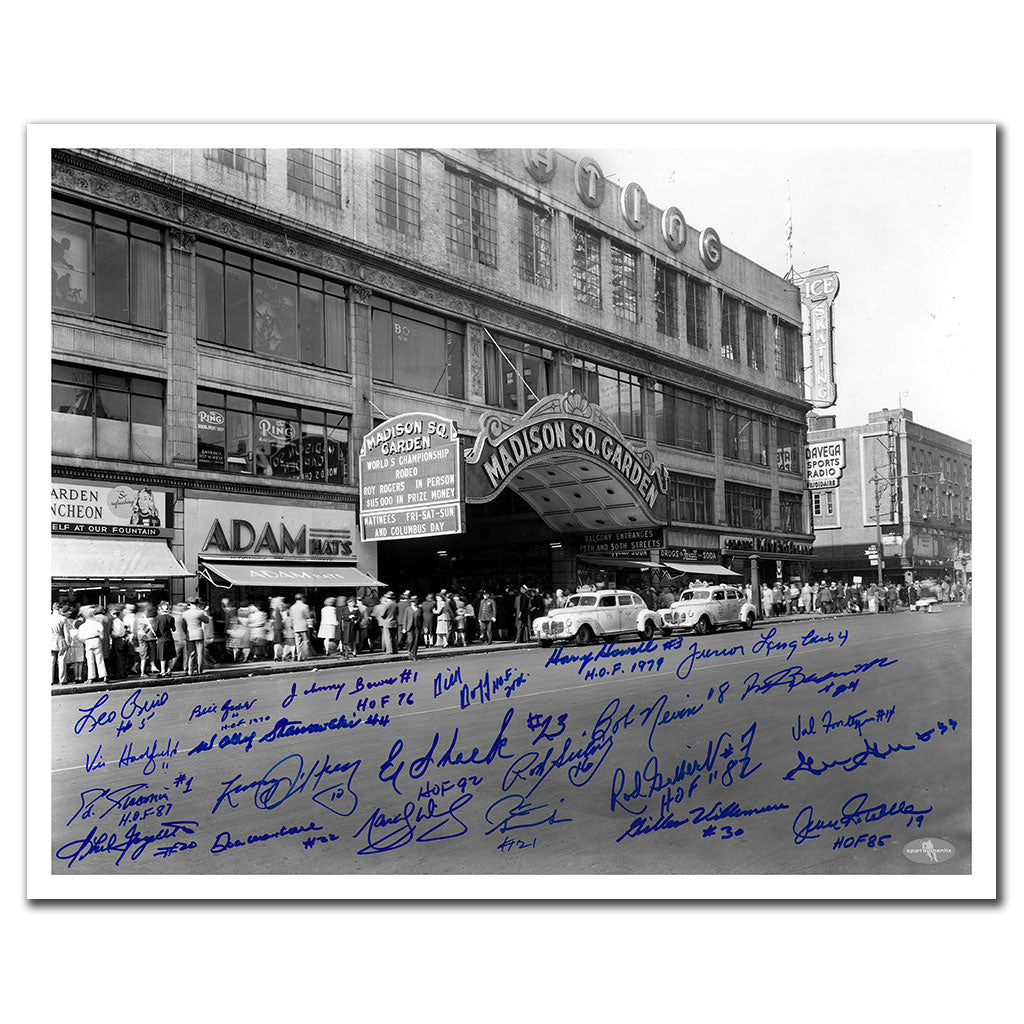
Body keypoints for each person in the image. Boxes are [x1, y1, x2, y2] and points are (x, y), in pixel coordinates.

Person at [76, 606, 107, 684]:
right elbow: (102, 632)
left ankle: (90, 678)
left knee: (90, 661)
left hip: (88, 641)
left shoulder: (82, 626)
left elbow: (80, 637)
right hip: (96, 640)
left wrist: (85, 641)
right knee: (100, 659)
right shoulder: (97, 623)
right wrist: (101, 638)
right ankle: (104, 676)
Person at [183, 596, 211, 674]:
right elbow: (207, 620)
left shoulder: (185, 614)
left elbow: (183, 625)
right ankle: (199, 670)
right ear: (198, 603)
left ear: (190, 604)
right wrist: (206, 612)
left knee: (191, 653)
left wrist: (186, 632)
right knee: (200, 653)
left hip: (189, 634)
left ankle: (190, 670)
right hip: (198, 634)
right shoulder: (200, 613)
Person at [153, 600, 176, 677]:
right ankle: (169, 670)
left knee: (162, 656)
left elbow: (156, 629)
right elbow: (173, 629)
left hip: (161, 638)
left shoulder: (158, 618)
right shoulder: (171, 618)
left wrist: (157, 636)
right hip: (169, 638)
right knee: (170, 655)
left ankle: (163, 671)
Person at [51, 603, 72, 686]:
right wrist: (68, 643)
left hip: (50, 640)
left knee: (50, 661)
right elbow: (66, 633)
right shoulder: (63, 619)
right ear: (59, 609)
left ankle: (50, 680)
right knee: (62, 661)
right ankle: (62, 679)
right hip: (60, 640)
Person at [135, 604, 158, 677]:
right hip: (144, 649)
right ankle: (142, 673)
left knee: (142, 659)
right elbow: (148, 639)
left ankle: (141, 671)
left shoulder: (139, 633)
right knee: (144, 659)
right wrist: (155, 639)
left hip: (142, 648)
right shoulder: (143, 635)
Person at [290, 593, 312, 661]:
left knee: (298, 643)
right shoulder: (305, 606)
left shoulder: (292, 607)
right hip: (303, 626)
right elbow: (308, 616)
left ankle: (299, 656)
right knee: (305, 642)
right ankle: (304, 656)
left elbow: (291, 617)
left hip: (295, 626)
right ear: (302, 598)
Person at [402, 595, 423, 660]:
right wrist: (404, 628)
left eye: (415, 601)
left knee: (416, 641)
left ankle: (414, 655)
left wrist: (423, 628)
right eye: (412, 602)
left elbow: (422, 620)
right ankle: (409, 650)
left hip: (417, 627)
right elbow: (405, 618)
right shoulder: (408, 609)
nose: (414, 603)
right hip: (409, 627)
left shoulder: (419, 610)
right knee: (410, 640)